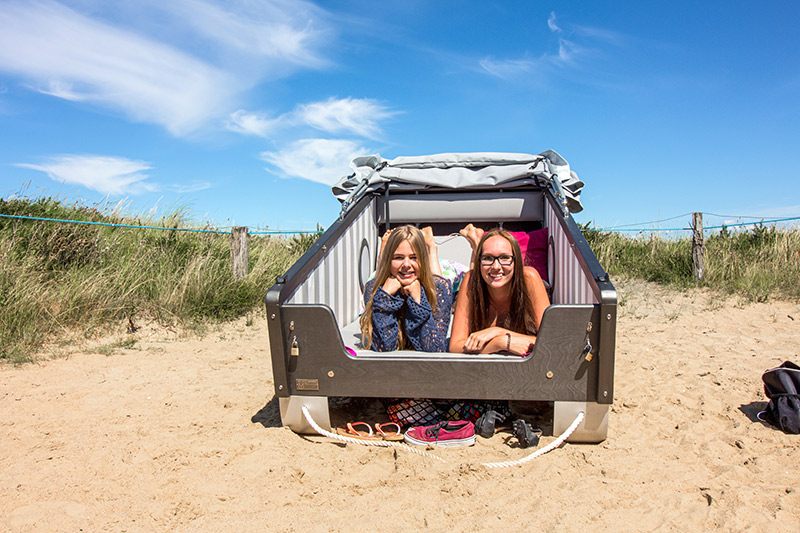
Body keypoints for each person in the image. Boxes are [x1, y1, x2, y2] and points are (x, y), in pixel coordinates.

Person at [449, 227, 550, 355]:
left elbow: (551, 341)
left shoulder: (529, 278)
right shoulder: (470, 280)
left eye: (504, 258)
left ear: (516, 261)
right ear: (479, 261)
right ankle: (475, 241)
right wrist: (499, 343)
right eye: (487, 258)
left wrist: (498, 332)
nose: (496, 266)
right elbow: (455, 346)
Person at [360, 225, 453, 352]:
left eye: (414, 257)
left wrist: (418, 302)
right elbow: (383, 348)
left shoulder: (441, 288)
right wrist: (385, 297)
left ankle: (431, 245)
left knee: (436, 280)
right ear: (388, 260)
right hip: (390, 369)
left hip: (426, 369)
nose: (406, 265)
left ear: (423, 260)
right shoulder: (374, 289)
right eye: (398, 257)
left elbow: (435, 349)